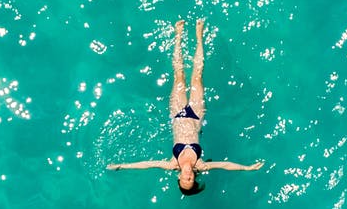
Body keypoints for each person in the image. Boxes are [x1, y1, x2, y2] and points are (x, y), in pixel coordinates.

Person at [106, 18, 263, 195]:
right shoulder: (201, 165)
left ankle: (178, 35)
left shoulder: (172, 163)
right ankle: (199, 35)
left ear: (179, 177)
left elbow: (146, 164)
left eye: (184, 180)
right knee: (197, 77)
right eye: (191, 180)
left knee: (178, 76)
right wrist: (247, 168)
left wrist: (122, 165)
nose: (188, 177)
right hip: (196, 114)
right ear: (194, 179)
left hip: (178, 114)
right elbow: (225, 165)